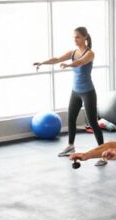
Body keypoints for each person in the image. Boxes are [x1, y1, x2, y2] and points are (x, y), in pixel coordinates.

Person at [34, 27, 107, 166]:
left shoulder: (90, 53)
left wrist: (68, 65)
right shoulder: (73, 52)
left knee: (93, 123)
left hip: (88, 92)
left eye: (78, 37)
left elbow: (80, 62)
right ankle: (70, 146)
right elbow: (56, 59)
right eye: (74, 37)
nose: (75, 39)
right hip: (76, 92)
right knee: (71, 118)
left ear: (85, 37)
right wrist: (42, 63)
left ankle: (103, 154)